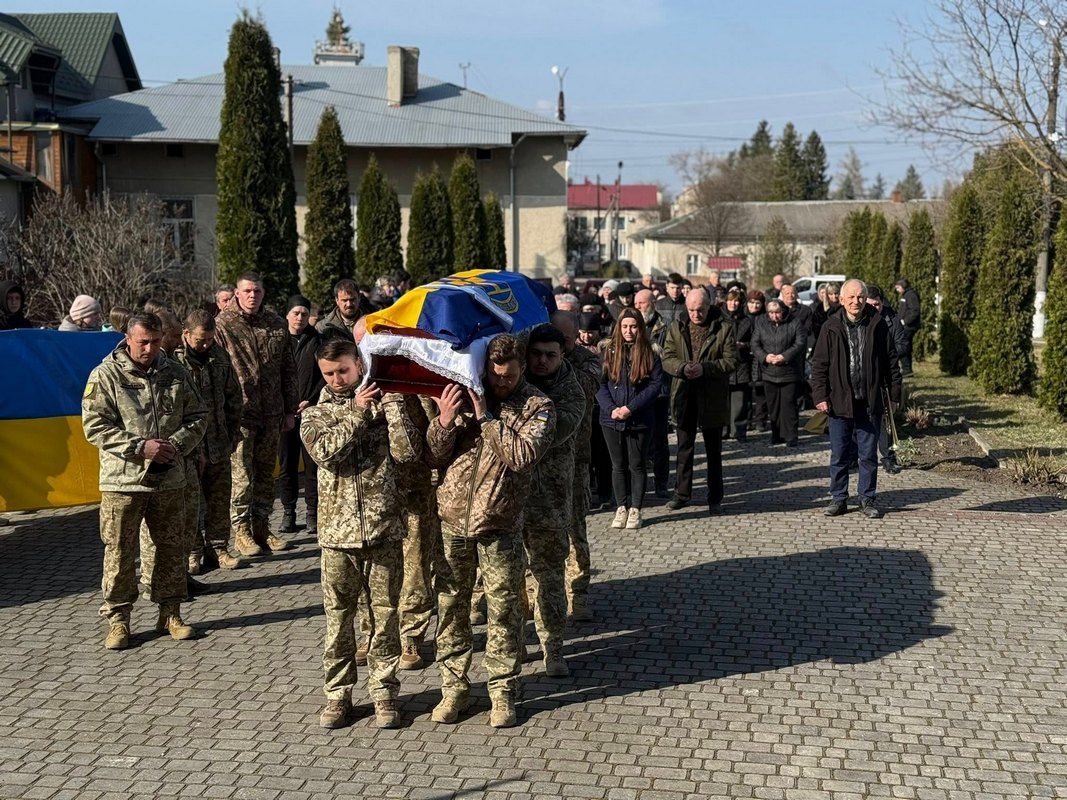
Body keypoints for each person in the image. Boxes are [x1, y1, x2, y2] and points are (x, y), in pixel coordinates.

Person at [426, 334, 555, 729]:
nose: (502, 383)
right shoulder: (464, 392)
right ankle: (454, 689)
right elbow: (433, 454)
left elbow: (521, 457)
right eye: (495, 376)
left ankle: (502, 691)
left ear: (522, 369)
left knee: (503, 609)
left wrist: (486, 418)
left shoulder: (538, 405)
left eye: (510, 376)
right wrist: (446, 421)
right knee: (451, 607)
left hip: (499, 522)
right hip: (452, 521)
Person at [300, 338, 422, 729]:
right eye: (329, 374)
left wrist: (394, 408)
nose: (337, 379)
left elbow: (407, 454)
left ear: (359, 365)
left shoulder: (385, 403)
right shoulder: (315, 415)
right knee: (339, 619)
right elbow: (326, 453)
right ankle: (338, 695)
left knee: (385, 617)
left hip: (383, 528)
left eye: (343, 371)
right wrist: (356, 412)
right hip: (337, 536)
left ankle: (384, 692)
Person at [81, 312, 206, 650]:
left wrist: (175, 445)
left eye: (155, 341)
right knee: (120, 551)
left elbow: (198, 416)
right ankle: (119, 620)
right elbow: (95, 425)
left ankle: (170, 613)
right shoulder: (105, 375)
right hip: (123, 481)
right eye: (143, 342)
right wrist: (141, 447)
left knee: (172, 548)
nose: (150, 349)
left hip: (169, 478)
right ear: (127, 337)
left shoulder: (175, 372)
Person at [215, 272, 298, 557]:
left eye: (258, 291)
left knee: (265, 474)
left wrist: (290, 409)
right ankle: (241, 532)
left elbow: (289, 369)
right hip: (241, 415)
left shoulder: (276, 324)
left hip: (272, 412)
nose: (253, 296)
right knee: (242, 476)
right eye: (247, 291)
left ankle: (262, 527)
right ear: (237, 293)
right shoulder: (223, 325)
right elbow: (217, 375)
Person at [522, 324, 585, 677]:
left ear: (562, 356)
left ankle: (553, 647)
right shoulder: (511, 385)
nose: (542, 361)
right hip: (510, 499)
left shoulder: (571, 391)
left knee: (549, 578)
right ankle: (516, 640)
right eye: (536, 354)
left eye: (551, 355)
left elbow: (550, 433)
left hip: (550, 501)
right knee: (510, 577)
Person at [811, 279, 903, 519]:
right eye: (850, 297)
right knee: (840, 454)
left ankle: (867, 498)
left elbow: (891, 363)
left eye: (860, 297)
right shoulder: (830, 327)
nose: (856, 301)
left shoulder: (878, 324)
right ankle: (838, 498)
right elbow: (819, 365)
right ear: (841, 300)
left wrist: (894, 395)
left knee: (868, 455)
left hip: (869, 401)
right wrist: (820, 395)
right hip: (839, 401)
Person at [172, 309, 243, 573]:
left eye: (209, 339)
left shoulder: (219, 357)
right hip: (189, 446)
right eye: (200, 340)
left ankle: (218, 548)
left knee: (219, 498)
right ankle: (194, 551)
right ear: (186, 334)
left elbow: (234, 395)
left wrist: (234, 431)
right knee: (190, 503)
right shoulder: (173, 361)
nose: (205, 345)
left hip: (218, 441)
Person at [661, 288, 737, 515]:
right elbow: (667, 358)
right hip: (684, 394)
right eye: (692, 310)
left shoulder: (724, 327)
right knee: (684, 448)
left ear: (709, 306)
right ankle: (682, 494)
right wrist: (683, 368)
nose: (696, 315)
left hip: (712, 395)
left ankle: (715, 497)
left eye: (701, 310)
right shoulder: (676, 326)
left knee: (714, 451)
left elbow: (732, 361)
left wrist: (705, 369)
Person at [551, 310, 601, 623]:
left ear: (576, 335)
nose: (558, 342)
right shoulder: (538, 359)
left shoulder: (588, 361)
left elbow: (585, 387)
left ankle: (578, 593)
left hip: (577, 459)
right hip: (543, 462)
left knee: (575, 528)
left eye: (563, 338)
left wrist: (557, 360)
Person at [597, 308, 663, 529]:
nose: (628, 331)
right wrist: (610, 409)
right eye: (625, 326)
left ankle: (635, 508)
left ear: (640, 328)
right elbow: (600, 383)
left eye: (633, 326)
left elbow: (655, 386)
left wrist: (630, 408)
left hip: (639, 418)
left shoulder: (650, 352)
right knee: (617, 465)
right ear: (618, 327)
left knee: (637, 465)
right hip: (611, 419)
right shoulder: (608, 351)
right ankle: (621, 506)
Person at [279, 295, 324, 535]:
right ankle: (288, 512)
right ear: (287, 315)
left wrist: (312, 400)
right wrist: (285, 405)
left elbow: (324, 376)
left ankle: (312, 513)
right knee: (287, 466)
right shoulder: (279, 340)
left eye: (304, 314)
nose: (300, 318)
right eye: (295, 313)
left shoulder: (317, 341)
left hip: (310, 412)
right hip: (286, 414)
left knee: (311, 467)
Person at [752, 299, 807, 447]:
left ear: (783, 311)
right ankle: (776, 435)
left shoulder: (794, 322)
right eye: (771, 313)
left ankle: (791, 436)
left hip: (789, 372)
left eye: (777, 313)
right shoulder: (761, 323)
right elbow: (755, 343)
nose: (774, 316)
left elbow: (800, 343)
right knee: (773, 406)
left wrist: (784, 356)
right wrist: (765, 356)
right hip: (769, 372)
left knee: (789, 405)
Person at [866, 285, 906, 475]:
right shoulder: (860, 318)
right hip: (864, 376)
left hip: (885, 375)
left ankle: (889, 458)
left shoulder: (892, 319)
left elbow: (902, 344)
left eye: (877, 305)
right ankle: (854, 456)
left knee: (885, 420)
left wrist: (886, 355)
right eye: (870, 305)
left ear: (882, 303)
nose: (874, 308)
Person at [635, 288, 671, 496]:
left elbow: (670, 353)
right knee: (639, 440)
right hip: (636, 391)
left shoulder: (665, 326)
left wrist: (651, 350)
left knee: (660, 440)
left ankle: (661, 483)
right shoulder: (630, 325)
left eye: (643, 303)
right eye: (636, 303)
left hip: (659, 391)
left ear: (653, 304)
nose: (639, 307)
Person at [579, 312, 613, 509]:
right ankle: (588, 491)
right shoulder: (572, 351)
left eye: (590, 332)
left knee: (603, 456)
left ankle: (605, 493)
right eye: (582, 332)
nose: (586, 337)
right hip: (583, 409)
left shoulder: (606, 350)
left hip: (602, 408)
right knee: (586, 455)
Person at [723, 287, 753, 442]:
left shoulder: (747, 320)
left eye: (736, 301)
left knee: (739, 402)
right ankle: (723, 431)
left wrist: (745, 345)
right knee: (723, 402)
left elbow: (754, 341)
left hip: (741, 364)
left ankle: (739, 432)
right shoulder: (720, 319)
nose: (733, 304)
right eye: (730, 300)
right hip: (723, 364)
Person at [745, 291, 769, 432]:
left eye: (757, 303)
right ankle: (747, 420)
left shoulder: (765, 318)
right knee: (746, 392)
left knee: (761, 391)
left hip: (760, 358)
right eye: (751, 302)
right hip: (745, 359)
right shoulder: (743, 317)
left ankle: (760, 420)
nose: (754, 306)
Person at [894, 278, 921, 376]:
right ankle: (907, 369)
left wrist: (904, 321)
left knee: (902, 346)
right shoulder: (905, 295)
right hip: (905, 325)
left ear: (902, 286)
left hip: (909, 326)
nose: (896, 290)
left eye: (897, 288)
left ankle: (907, 369)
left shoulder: (911, 295)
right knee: (906, 346)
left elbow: (915, 311)